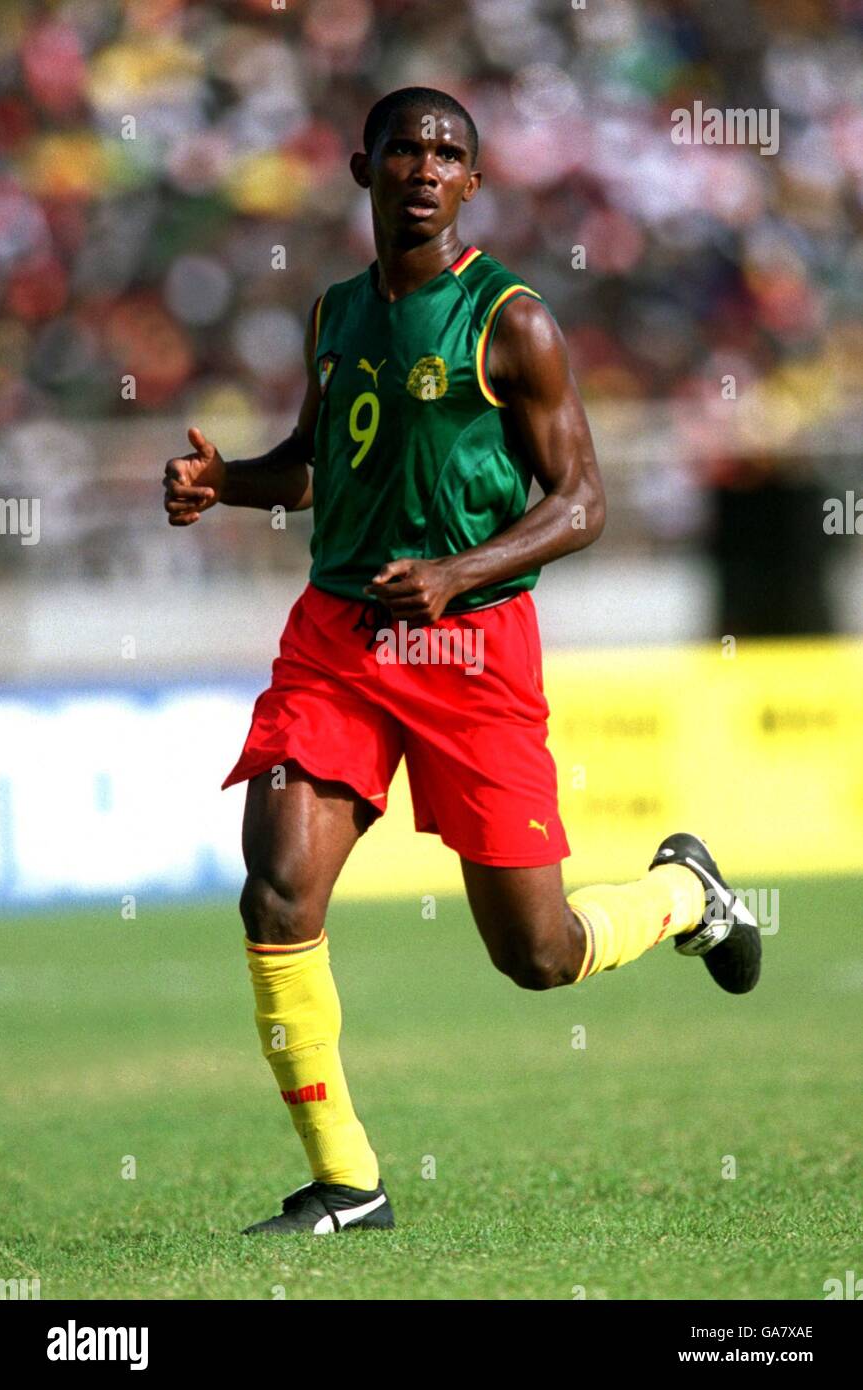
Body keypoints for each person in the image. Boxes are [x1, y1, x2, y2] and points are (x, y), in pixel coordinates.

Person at [162, 87, 761, 1237]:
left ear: (472, 185)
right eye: (405, 149)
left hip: (470, 646)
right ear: (362, 169)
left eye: (447, 154)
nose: (425, 168)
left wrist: (459, 570)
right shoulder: (335, 312)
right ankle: (348, 1179)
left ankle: (686, 892)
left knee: (535, 954)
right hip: (339, 636)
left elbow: (581, 502)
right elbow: (316, 466)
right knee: (276, 883)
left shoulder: (512, 321)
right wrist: (225, 480)